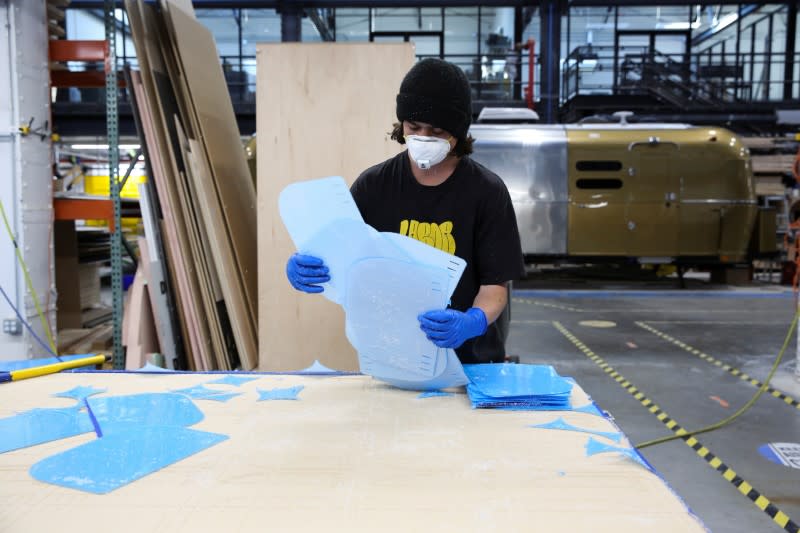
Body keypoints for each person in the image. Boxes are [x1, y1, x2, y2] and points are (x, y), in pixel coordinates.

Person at [286, 58, 525, 364]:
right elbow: (344, 258)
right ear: (402, 124)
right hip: (395, 357)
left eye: (437, 131)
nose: (423, 137)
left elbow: (495, 288)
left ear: (459, 132)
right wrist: (307, 265)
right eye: (414, 126)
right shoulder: (373, 187)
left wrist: (472, 322)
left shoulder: (487, 193)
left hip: (472, 363)